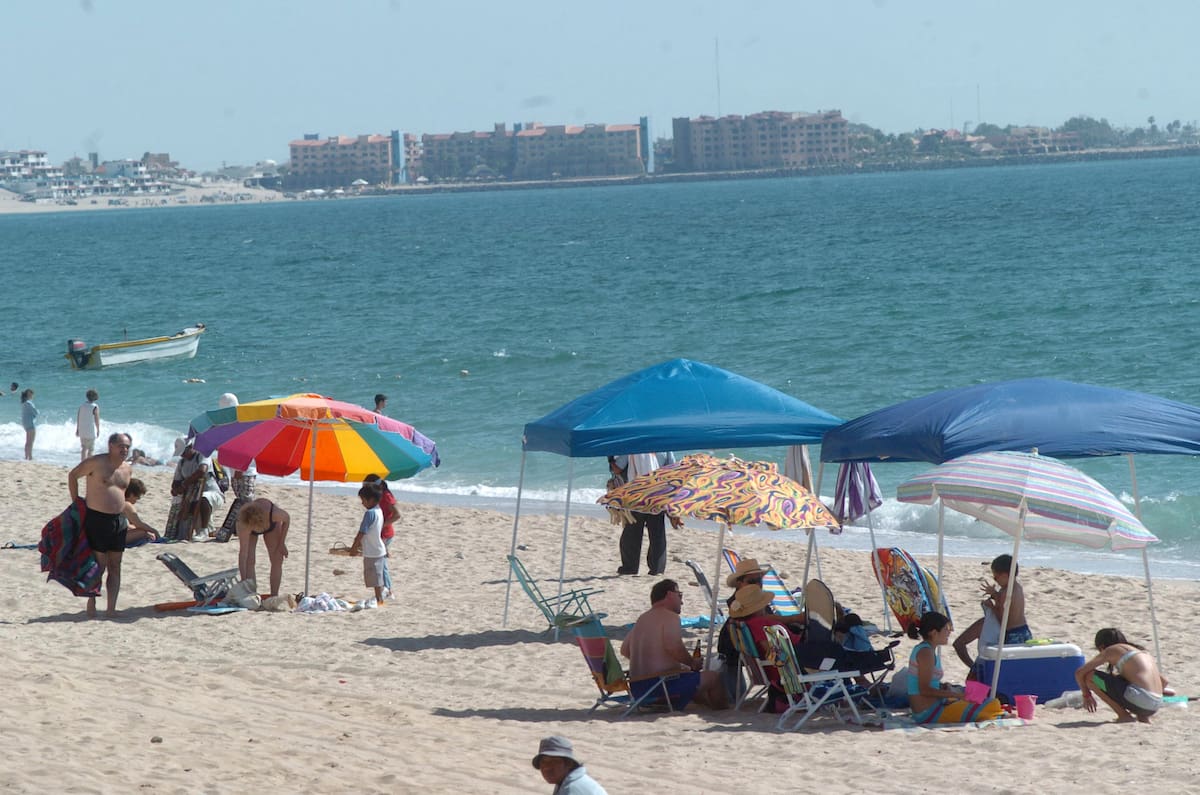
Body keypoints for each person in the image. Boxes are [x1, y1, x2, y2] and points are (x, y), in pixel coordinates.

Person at [620, 579, 729, 710]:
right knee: (713, 677)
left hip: (638, 689)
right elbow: (674, 647)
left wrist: (653, 661)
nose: (682, 601)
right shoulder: (669, 617)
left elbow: (625, 650)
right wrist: (692, 663)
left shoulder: (642, 618)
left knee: (689, 677)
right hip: (659, 686)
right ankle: (722, 711)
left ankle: (707, 706)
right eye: (680, 595)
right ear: (670, 594)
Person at [68, 432, 134, 618]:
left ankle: (111, 608)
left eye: (127, 446)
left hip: (118, 521)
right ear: (110, 445)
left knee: (116, 565)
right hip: (97, 519)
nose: (125, 450)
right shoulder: (95, 463)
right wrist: (76, 502)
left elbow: (122, 494)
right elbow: (73, 475)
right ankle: (92, 601)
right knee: (100, 565)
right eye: (121, 445)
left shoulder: (127, 469)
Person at [907, 611, 1003, 724]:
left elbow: (925, 683)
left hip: (933, 706)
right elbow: (924, 689)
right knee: (992, 704)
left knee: (984, 698)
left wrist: (943, 687)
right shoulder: (926, 653)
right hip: (928, 713)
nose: (949, 632)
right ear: (934, 633)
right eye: (946, 629)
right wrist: (957, 695)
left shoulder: (927, 650)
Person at [953, 554, 1032, 674]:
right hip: (1024, 630)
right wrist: (995, 595)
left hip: (1012, 633)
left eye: (996, 578)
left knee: (1008, 668)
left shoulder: (1006, 592)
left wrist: (991, 606)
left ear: (1005, 575)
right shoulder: (1017, 588)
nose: (995, 580)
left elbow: (1003, 618)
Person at [1075, 628, 1168, 723]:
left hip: (1141, 700)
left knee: (1090, 676)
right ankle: (1143, 717)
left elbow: (1080, 672)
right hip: (1155, 706)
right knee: (1123, 680)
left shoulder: (1111, 650)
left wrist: (1086, 695)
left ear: (1102, 647)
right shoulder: (1143, 653)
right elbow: (1164, 682)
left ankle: (1123, 715)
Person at [608, 452, 678, 575]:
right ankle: (657, 569)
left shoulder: (633, 445)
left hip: (636, 495)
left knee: (632, 533)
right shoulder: (664, 446)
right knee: (657, 534)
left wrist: (610, 457)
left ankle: (630, 567)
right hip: (657, 494)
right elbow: (672, 469)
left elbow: (618, 469)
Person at [235, 498, 291, 597]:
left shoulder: (274, 514)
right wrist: (243, 580)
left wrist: (282, 543)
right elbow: (243, 554)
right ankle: (251, 593)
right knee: (249, 559)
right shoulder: (243, 523)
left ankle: (274, 595)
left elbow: (287, 519)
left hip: (271, 524)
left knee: (277, 559)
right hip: (249, 523)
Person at [172, 442, 225, 541]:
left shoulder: (202, 456)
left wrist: (184, 484)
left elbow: (202, 471)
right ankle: (210, 530)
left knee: (203, 498)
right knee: (211, 531)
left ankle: (203, 531)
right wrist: (175, 489)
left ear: (191, 448)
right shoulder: (182, 463)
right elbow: (176, 481)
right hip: (194, 497)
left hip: (213, 495)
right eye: (181, 453)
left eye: (184, 452)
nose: (182, 455)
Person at [348, 482, 388, 603]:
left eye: (363, 500)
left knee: (375, 579)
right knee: (378, 576)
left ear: (370, 500)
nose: (362, 503)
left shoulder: (369, 513)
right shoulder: (379, 510)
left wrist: (353, 547)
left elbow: (362, 532)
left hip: (373, 551)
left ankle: (379, 599)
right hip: (379, 549)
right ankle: (380, 598)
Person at [531, 736, 607, 795]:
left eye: (554, 761)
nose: (547, 767)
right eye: (543, 762)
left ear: (569, 763)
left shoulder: (572, 788)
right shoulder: (565, 781)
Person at [363, 474, 400, 597]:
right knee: (381, 561)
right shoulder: (376, 497)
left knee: (381, 563)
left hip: (386, 533)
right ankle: (386, 589)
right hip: (379, 534)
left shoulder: (386, 496)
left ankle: (388, 590)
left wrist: (382, 525)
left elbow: (397, 515)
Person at [122, 478, 161, 546]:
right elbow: (139, 524)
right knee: (143, 532)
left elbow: (129, 525)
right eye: (138, 496)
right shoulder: (127, 505)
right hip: (114, 538)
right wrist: (154, 531)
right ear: (131, 494)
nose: (138, 499)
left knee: (135, 528)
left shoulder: (117, 502)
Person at [75, 389, 101, 461]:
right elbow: (96, 419)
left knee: (84, 448)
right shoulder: (95, 406)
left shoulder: (82, 406)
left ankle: (82, 463)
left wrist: (77, 429)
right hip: (90, 430)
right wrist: (98, 429)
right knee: (90, 449)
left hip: (82, 430)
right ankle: (89, 465)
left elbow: (78, 417)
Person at [20, 388, 37, 460]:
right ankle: (30, 456)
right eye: (31, 394)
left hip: (26, 424)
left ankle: (26, 456)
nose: (32, 396)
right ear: (29, 395)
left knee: (27, 441)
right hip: (30, 423)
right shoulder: (29, 403)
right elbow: (35, 412)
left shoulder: (24, 403)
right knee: (31, 441)